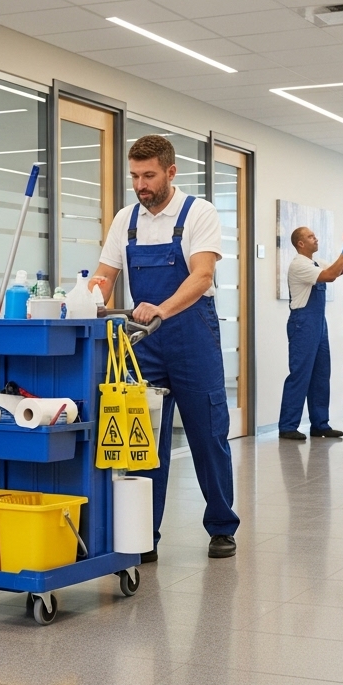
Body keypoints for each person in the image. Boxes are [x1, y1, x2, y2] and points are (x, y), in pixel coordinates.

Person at [88, 135, 240, 561]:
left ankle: (222, 526)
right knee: (144, 440)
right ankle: (143, 535)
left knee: (208, 434)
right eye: (135, 176)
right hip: (143, 344)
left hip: (192, 336)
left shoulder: (199, 213)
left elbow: (202, 276)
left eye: (149, 175)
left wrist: (162, 310)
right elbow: (104, 276)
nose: (141, 184)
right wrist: (84, 299)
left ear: (171, 172)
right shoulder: (125, 220)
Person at [278, 227, 343, 440]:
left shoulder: (315, 262)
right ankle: (288, 426)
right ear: (300, 243)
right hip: (303, 324)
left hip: (318, 323)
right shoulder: (299, 264)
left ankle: (320, 424)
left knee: (320, 375)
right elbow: (331, 275)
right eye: (310, 236)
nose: (315, 238)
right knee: (300, 374)